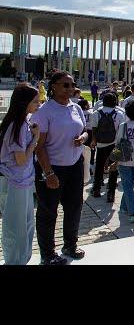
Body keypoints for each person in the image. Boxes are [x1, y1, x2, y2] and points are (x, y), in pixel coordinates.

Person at [31, 72, 88, 265]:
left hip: (74, 165)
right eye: (66, 85)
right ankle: (48, 253)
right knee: (48, 211)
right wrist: (48, 173)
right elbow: (39, 147)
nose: (70, 89)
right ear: (54, 86)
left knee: (74, 207)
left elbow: (84, 131)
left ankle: (70, 245)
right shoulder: (45, 111)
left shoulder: (76, 107)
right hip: (52, 167)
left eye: (72, 84)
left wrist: (83, 139)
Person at [0, 84, 41, 265]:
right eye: (35, 101)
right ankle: (15, 261)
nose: (38, 104)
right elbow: (21, 159)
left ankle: (22, 259)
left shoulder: (23, 122)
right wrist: (36, 139)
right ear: (24, 103)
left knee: (26, 224)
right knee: (17, 227)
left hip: (23, 181)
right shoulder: (16, 127)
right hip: (15, 181)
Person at [89, 92, 124, 201]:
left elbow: (94, 129)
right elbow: (121, 130)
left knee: (99, 166)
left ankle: (96, 189)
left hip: (101, 144)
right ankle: (111, 193)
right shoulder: (119, 114)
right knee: (114, 167)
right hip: (116, 144)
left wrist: (94, 141)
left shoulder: (96, 113)